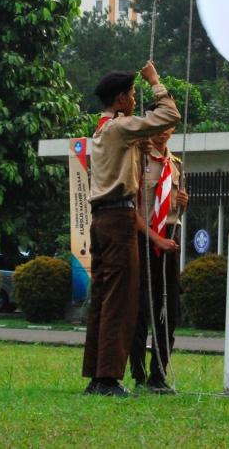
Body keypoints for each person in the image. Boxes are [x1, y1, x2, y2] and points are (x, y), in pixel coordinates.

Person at [82, 61, 181, 397]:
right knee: (121, 301)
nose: (135, 99)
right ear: (121, 99)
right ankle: (108, 378)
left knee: (103, 298)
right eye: (133, 94)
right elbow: (169, 115)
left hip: (101, 220)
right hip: (119, 219)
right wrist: (155, 81)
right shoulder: (121, 128)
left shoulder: (103, 129)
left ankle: (97, 374)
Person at [130, 125, 187, 394]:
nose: (163, 133)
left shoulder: (176, 165)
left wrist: (184, 203)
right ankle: (139, 374)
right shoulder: (138, 161)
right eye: (159, 127)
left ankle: (159, 375)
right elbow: (132, 210)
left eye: (168, 128)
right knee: (141, 309)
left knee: (169, 311)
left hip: (169, 243)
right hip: (144, 241)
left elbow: (174, 211)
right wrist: (155, 239)